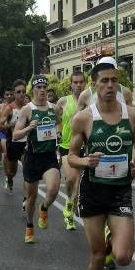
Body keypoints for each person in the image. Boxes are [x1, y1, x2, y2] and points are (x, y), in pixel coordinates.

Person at [67, 60, 135, 270]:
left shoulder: (131, 115)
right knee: (98, 254)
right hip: (93, 192)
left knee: (123, 257)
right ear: (94, 85)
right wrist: (86, 162)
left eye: (114, 80)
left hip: (120, 189)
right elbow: (71, 156)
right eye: (104, 81)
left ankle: (113, 241)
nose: (110, 85)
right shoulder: (84, 118)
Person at [13, 75, 62, 243]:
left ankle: (45, 207)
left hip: (49, 156)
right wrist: (28, 128)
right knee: (31, 197)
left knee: (54, 188)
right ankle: (29, 226)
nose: (42, 90)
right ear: (32, 90)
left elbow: (59, 123)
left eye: (44, 87)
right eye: (38, 87)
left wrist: (59, 131)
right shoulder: (27, 109)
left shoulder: (54, 108)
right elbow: (15, 134)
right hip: (32, 157)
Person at [56, 71, 87, 231]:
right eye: (75, 82)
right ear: (71, 84)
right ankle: (69, 203)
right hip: (67, 147)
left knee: (79, 184)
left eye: (81, 82)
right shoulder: (63, 101)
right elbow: (56, 118)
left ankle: (70, 212)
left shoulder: (91, 103)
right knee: (71, 179)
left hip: (85, 148)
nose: (78, 85)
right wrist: (59, 131)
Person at [0, 79, 27, 194]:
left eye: (23, 91)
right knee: (12, 171)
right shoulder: (9, 108)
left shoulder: (29, 107)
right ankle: (9, 179)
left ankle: (27, 196)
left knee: (27, 168)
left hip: (26, 143)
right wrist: (12, 125)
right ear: (14, 94)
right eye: (18, 92)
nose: (21, 94)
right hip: (13, 143)